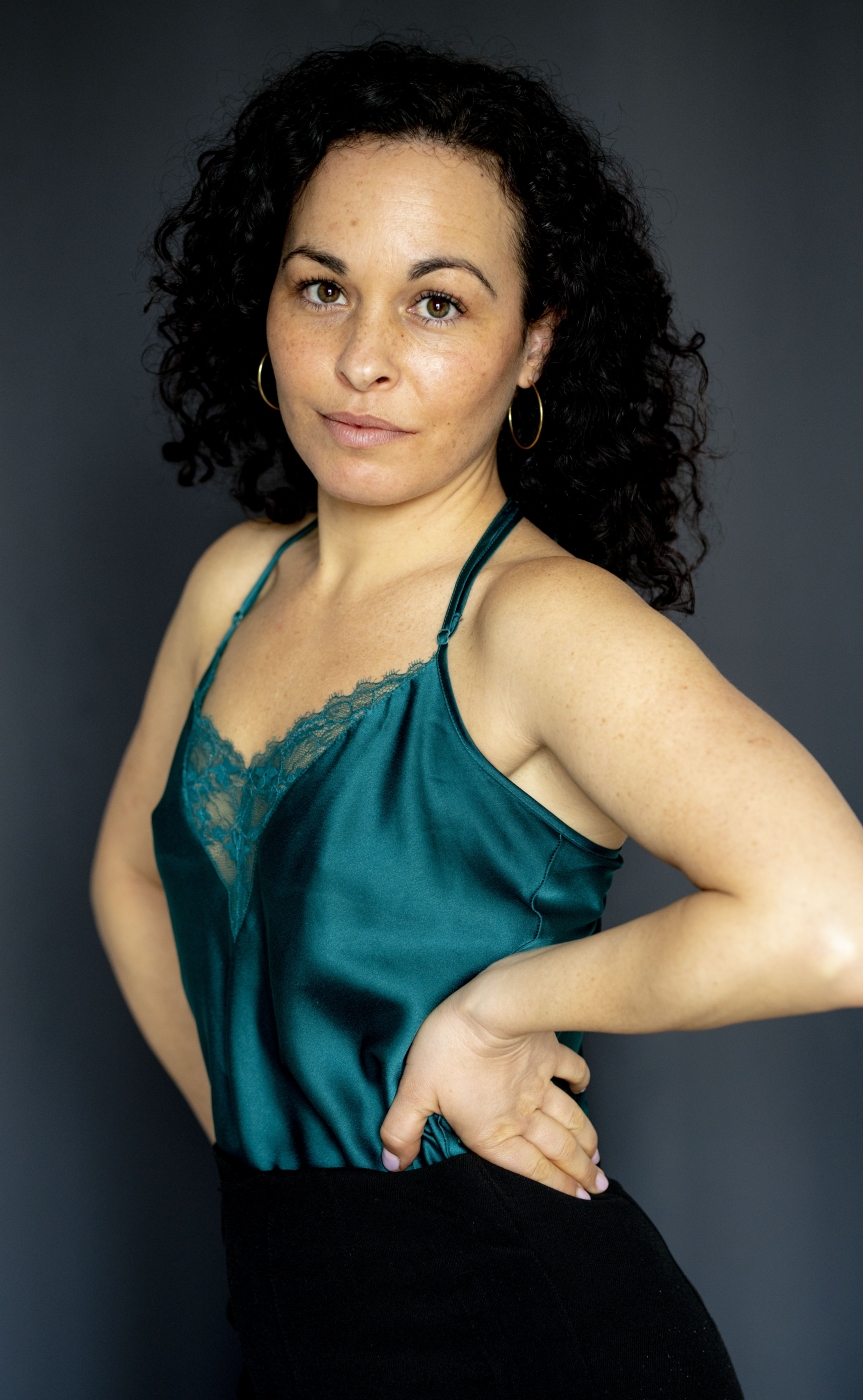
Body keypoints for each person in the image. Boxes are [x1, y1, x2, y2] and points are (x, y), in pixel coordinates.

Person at [90, 40, 863, 1399]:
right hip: (295, 1316)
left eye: (437, 303)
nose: (363, 358)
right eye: (322, 287)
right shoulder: (236, 582)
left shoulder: (538, 622)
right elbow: (129, 880)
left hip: (529, 1335)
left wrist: (501, 1009)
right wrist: (271, 1149)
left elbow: (835, 921)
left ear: (534, 342)